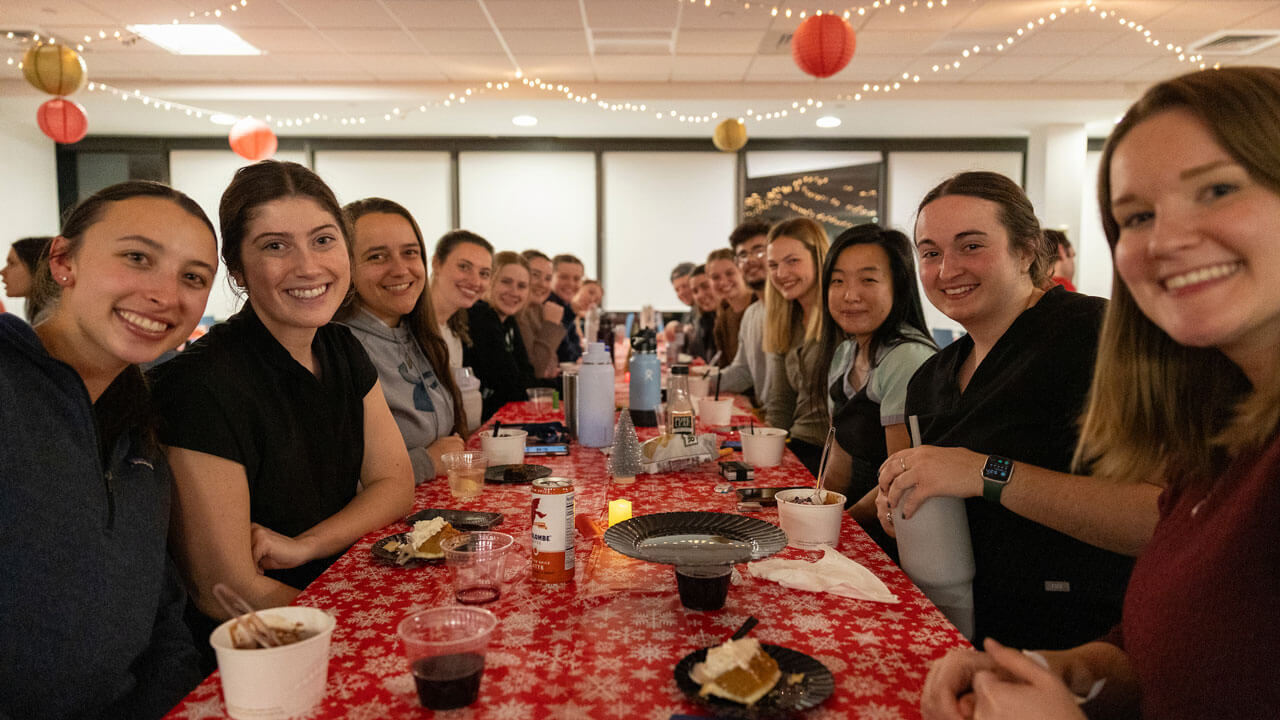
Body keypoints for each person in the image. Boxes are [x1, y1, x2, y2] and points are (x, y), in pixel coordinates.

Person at [920, 65, 1280, 720]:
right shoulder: (1221, 433)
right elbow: (1168, 651)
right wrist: (1063, 670)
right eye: (1137, 216)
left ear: (1032, 253)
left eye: (1218, 189)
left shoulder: (1074, 336)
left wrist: (985, 473)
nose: (1166, 240)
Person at [149, 160, 414, 648]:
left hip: (338, 590)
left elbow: (395, 484)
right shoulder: (198, 384)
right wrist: (362, 633)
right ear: (238, 271)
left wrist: (304, 546)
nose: (308, 266)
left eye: (323, 240)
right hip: (260, 648)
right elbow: (223, 589)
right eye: (275, 246)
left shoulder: (341, 347)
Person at [877, 170, 1146, 650]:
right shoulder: (931, 378)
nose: (946, 270)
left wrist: (986, 472)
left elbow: (1154, 518)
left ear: (1027, 249)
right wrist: (900, 500)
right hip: (957, 630)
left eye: (971, 246)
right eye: (930, 252)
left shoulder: (1096, 337)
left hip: (1075, 649)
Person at [0, 181, 214, 719]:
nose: (166, 295)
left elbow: (161, 616)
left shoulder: (138, 432)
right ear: (63, 260)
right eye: (137, 257)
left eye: (192, 277)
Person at [811, 224, 936, 550]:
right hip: (856, 521)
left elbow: (898, 479)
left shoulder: (906, 357)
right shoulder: (844, 353)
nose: (850, 295)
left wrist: (841, 523)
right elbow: (839, 459)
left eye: (868, 280)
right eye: (838, 281)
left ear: (899, 287)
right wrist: (814, 509)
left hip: (896, 529)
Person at [337, 197, 467, 485]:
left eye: (410, 253)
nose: (400, 269)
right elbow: (335, 483)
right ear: (346, 267)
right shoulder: (338, 350)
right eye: (377, 256)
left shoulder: (416, 334)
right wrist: (427, 462)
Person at [762, 217, 831, 475]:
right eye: (773, 265)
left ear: (819, 258)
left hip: (829, 456)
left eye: (792, 261)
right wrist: (764, 452)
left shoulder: (840, 320)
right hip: (798, 448)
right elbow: (780, 403)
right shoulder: (786, 321)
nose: (780, 274)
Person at [465, 250, 548, 421]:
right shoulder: (481, 315)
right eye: (506, 282)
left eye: (522, 286)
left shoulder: (508, 320)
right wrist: (564, 383)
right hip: (480, 421)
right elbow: (513, 387)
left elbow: (527, 373)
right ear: (490, 282)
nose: (514, 292)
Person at [717, 221, 772, 403]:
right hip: (765, 419)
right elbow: (743, 371)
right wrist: (688, 381)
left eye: (759, 251)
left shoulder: (792, 311)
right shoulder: (751, 314)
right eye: (743, 255)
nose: (750, 260)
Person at [429, 229, 493, 369]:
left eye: (484, 273)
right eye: (464, 267)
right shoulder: (405, 324)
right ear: (436, 263)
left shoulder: (454, 329)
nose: (475, 282)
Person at [517, 249, 567, 379]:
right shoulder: (516, 314)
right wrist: (551, 324)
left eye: (548, 278)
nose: (542, 284)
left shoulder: (539, 310)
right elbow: (537, 370)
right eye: (535, 275)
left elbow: (551, 366)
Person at [707, 247, 757, 368]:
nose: (723, 282)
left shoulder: (760, 306)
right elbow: (725, 367)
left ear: (742, 272)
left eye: (729, 273)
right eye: (715, 277)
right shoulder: (723, 320)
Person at [3, 236, 54, 322]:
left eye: (12, 263)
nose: (2, 272)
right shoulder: (38, 313)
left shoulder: (53, 318)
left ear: (37, 267)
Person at [549, 253, 585, 362]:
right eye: (564, 277)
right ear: (550, 277)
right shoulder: (549, 306)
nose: (571, 283)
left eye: (576, 279)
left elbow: (577, 349)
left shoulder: (566, 307)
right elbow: (565, 355)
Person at [686, 263, 719, 363]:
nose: (700, 295)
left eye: (705, 287)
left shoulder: (732, 320)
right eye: (695, 291)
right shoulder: (703, 320)